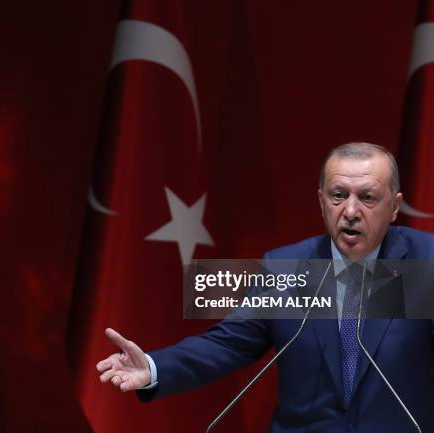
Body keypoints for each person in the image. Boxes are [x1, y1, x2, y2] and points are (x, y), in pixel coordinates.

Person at [96, 142, 434, 433]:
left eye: (368, 198)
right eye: (338, 195)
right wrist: (154, 367)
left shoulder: (424, 263)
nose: (350, 211)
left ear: (393, 206)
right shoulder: (286, 265)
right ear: (321, 201)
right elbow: (230, 343)